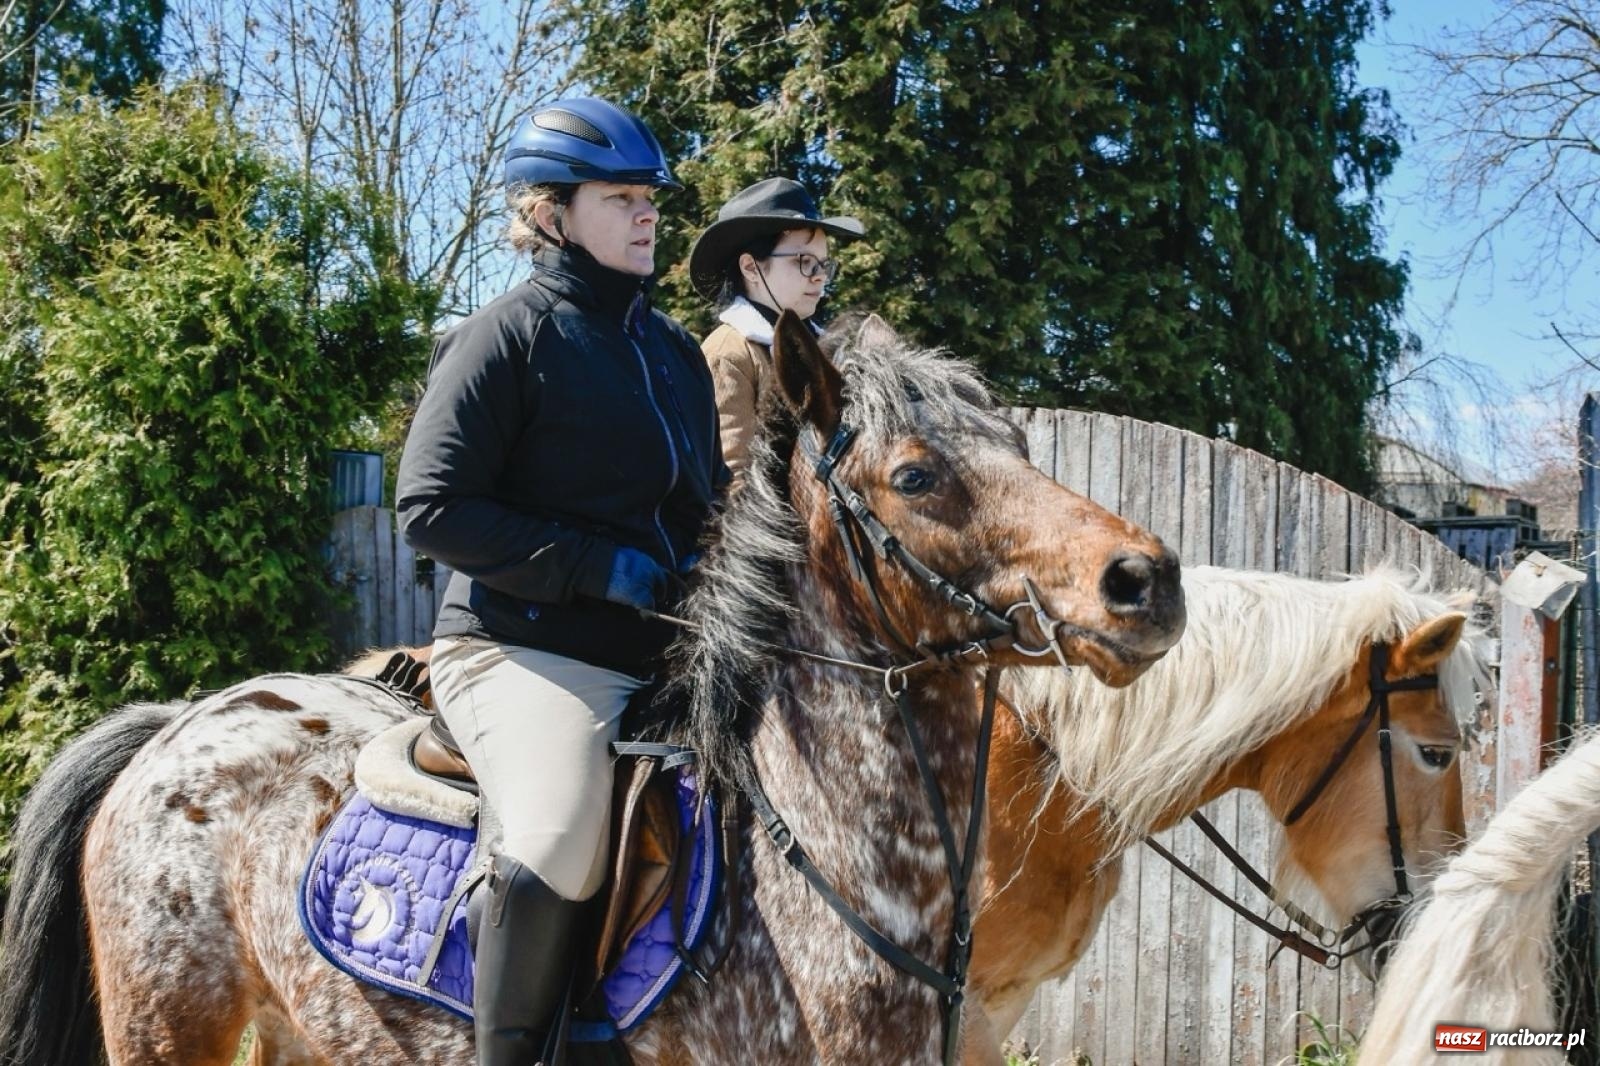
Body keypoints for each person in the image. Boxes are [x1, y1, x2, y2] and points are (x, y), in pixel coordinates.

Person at [396, 97, 726, 1066]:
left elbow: (703, 509)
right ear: (550, 212)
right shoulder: (504, 338)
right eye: (620, 197)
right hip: (522, 650)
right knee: (559, 829)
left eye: (650, 198)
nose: (645, 214)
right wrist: (593, 566)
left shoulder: (673, 357)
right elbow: (430, 505)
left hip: (662, 657)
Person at [687, 177, 865, 483]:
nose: (820, 277)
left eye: (824, 264)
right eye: (805, 261)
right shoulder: (728, 352)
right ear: (751, 268)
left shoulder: (830, 348)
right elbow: (732, 482)